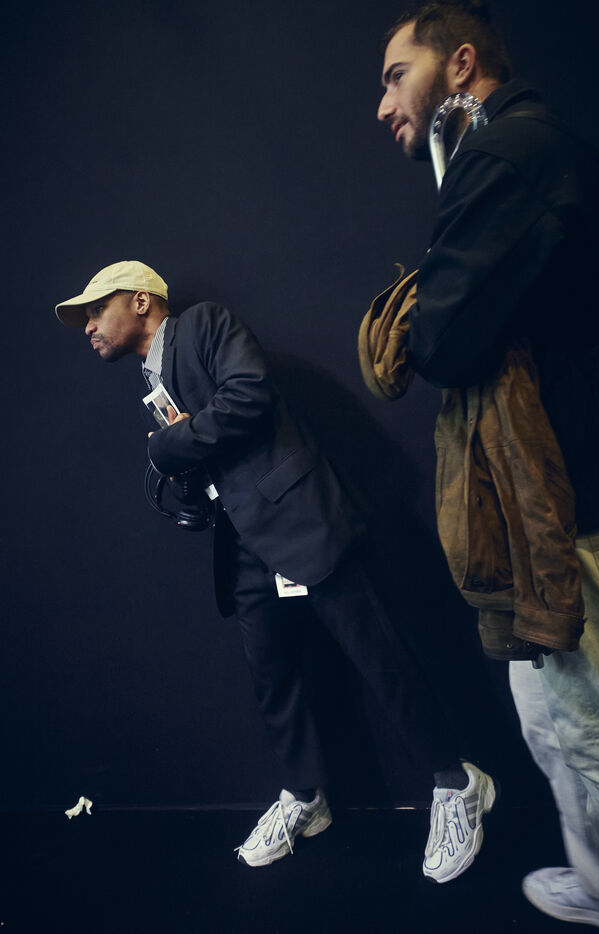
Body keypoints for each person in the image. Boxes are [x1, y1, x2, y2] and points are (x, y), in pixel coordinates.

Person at [55, 259, 496, 879]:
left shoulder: (204, 324)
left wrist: (169, 445)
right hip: (243, 545)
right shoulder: (151, 382)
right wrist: (183, 475)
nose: (88, 327)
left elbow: (251, 395)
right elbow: (206, 456)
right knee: (274, 680)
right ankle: (305, 798)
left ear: (141, 301)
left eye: (97, 310)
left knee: (379, 657)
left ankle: (456, 783)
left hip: (301, 520)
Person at [376, 1, 599, 929]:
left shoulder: (510, 153)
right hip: (544, 506)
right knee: (551, 725)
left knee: (595, 729)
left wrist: (422, 311)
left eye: (395, 76)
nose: (382, 105)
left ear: (459, 65)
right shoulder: (510, 151)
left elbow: (439, 342)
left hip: (572, 502)